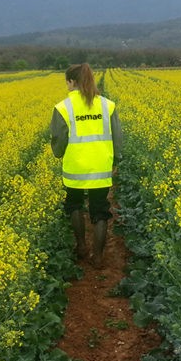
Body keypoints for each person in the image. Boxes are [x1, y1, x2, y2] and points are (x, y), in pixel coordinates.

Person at [50, 63, 122, 268]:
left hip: (75, 168)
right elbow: (117, 137)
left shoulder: (63, 107)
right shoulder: (107, 105)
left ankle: (81, 247)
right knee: (100, 210)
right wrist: (115, 159)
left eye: (67, 81)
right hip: (100, 166)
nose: (66, 85)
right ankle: (98, 257)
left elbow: (58, 139)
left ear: (72, 82)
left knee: (74, 205)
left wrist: (59, 153)